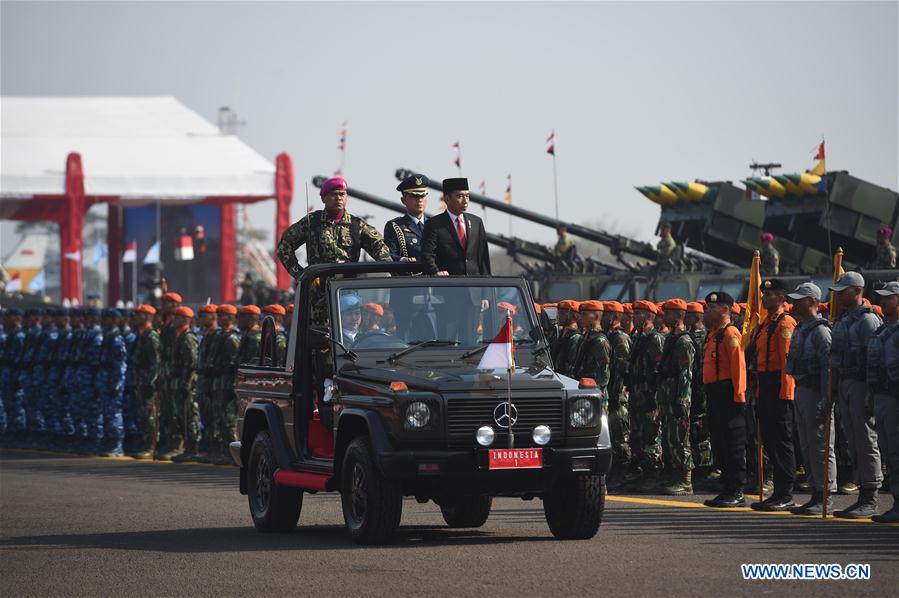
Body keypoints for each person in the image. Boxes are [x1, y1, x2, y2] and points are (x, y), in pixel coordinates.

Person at [828, 271, 883, 518]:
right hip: (845, 383)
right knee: (852, 439)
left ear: (858, 291)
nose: (838, 295)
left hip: (861, 384)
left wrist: (872, 392)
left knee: (866, 440)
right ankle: (862, 491)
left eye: (843, 291)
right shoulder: (843, 319)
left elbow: (875, 359)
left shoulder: (868, 321)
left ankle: (870, 496)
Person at [785, 283, 837, 515]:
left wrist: (827, 399)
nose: (795, 303)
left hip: (816, 392)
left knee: (821, 446)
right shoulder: (800, 328)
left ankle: (825, 494)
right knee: (806, 444)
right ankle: (815, 490)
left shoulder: (821, 331)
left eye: (800, 299)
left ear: (813, 302)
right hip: (801, 389)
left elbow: (828, 368)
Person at [277, 176, 392, 279]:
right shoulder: (311, 222)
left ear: (346, 197)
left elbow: (380, 248)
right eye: (333, 194)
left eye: (342, 194)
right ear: (323, 198)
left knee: (350, 302)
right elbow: (284, 246)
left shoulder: (357, 225)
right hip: (317, 291)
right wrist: (301, 274)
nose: (338, 198)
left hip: (347, 288)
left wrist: (389, 268)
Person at [421, 178, 491, 343]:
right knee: (447, 342)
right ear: (446, 198)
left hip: (473, 297)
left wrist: (485, 294)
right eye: (459, 196)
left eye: (467, 196)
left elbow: (483, 260)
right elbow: (427, 255)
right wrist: (436, 272)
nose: (465, 200)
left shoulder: (476, 222)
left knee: (470, 343)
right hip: (448, 296)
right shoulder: (434, 224)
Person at [750, 279, 798, 511]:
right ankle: (777, 492)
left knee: (781, 440)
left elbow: (787, 361)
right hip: (765, 385)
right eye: (764, 295)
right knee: (769, 438)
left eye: (770, 295)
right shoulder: (766, 323)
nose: (765, 299)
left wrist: (785, 392)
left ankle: (785, 492)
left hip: (779, 386)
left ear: (781, 297)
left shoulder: (785, 323)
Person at [702, 292, 748, 508]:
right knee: (720, 442)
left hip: (728, 393)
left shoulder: (730, 333)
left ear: (725, 310)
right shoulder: (713, 333)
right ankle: (727, 488)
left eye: (712, 307)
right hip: (714, 392)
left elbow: (738, 367)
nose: (707, 311)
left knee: (733, 444)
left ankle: (737, 490)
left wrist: (739, 397)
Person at [624, 300, 665, 493]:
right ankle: (642, 471)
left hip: (649, 392)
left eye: (639, 313)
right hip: (638, 391)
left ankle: (654, 473)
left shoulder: (655, 338)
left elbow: (657, 369)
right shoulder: (639, 336)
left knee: (651, 433)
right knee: (637, 433)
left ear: (649, 316)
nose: (634, 316)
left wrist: (653, 394)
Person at [656, 299, 696, 495]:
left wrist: (682, 399)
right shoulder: (672, 338)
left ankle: (685, 480)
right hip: (667, 394)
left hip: (677, 396)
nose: (664, 317)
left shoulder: (683, 341)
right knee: (670, 436)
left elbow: (685, 373)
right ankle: (673, 475)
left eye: (669, 313)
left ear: (679, 315)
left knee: (681, 438)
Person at [868, 281, 899, 523]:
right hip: (881, 396)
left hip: (895, 396)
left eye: (889, 297)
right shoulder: (882, 330)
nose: (883, 301)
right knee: (889, 451)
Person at [602, 301, 632, 487]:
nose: (603, 318)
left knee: (621, 437)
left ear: (614, 317)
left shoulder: (619, 338)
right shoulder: (609, 336)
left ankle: (623, 474)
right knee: (613, 437)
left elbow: (621, 370)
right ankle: (615, 473)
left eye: (606, 314)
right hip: (611, 394)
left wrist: (614, 395)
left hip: (617, 396)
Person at [167, 306, 199, 461]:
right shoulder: (178, 336)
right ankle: (184, 447)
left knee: (189, 416)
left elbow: (191, 363)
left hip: (186, 384)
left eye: (177, 317)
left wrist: (186, 383)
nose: (174, 320)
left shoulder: (188, 337)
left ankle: (192, 449)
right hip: (178, 382)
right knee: (180, 416)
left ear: (186, 320)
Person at [685, 302, 713, 479]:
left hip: (701, 387)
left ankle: (706, 468)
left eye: (688, 315)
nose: (684, 317)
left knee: (701, 427)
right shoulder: (690, 336)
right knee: (694, 427)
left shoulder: (704, 337)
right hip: (693, 386)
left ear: (696, 318)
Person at [95, 309, 127, 456]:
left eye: (106, 319)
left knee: (114, 413)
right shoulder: (107, 336)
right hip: (104, 379)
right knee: (106, 412)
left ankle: (117, 444)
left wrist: (117, 384)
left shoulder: (116, 338)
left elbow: (120, 364)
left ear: (114, 320)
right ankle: (108, 441)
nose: (103, 321)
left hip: (112, 381)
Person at [210, 304, 240, 465]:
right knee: (220, 418)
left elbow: (235, 365)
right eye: (218, 315)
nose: (219, 318)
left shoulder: (232, 339)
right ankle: (223, 451)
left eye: (222, 315)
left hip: (228, 384)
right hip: (219, 384)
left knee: (229, 420)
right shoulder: (220, 336)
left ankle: (232, 454)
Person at [131, 304, 160, 459]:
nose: (136, 317)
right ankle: (146, 443)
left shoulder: (151, 336)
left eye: (140, 315)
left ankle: (152, 446)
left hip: (148, 383)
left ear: (148, 317)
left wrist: (151, 382)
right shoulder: (141, 335)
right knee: (143, 414)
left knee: (151, 415)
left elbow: (155, 363)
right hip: (141, 382)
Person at [570, 301, 611, 398]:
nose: (580, 318)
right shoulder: (586, 337)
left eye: (584, 315)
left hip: (593, 393)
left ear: (596, 317)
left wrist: (597, 394)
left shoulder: (600, 340)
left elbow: (603, 373)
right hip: (583, 390)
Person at [195, 303, 220, 461]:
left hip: (214, 383)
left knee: (215, 417)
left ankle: (216, 449)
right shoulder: (205, 335)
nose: (202, 319)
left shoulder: (217, 336)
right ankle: (209, 448)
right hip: (204, 383)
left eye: (205, 315)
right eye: (201, 316)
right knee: (205, 416)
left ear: (213, 317)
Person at [385, 173, 429, 263]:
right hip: (409, 275)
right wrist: (403, 260)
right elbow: (389, 254)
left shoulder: (436, 224)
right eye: (414, 196)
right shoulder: (394, 226)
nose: (419, 200)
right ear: (403, 200)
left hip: (435, 276)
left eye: (422, 195)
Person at [552, 300, 582, 376]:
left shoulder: (575, 336)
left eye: (562, 313)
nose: (558, 316)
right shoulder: (562, 333)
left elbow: (571, 365)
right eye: (558, 313)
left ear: (575, 316)